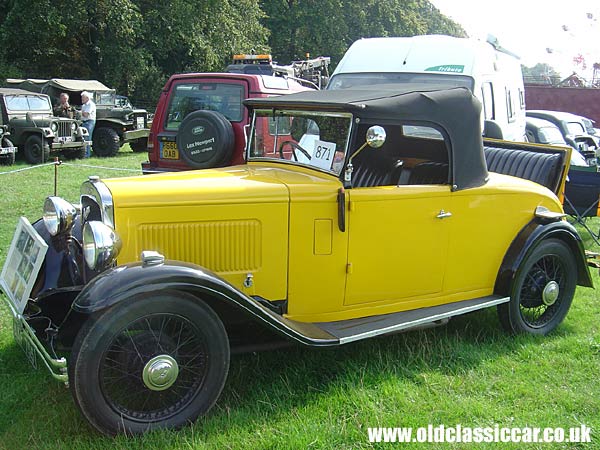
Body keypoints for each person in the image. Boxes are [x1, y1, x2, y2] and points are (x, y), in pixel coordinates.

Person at [80, 91, 96, 157]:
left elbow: (86, 114)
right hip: (84, 122)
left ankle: (87, 154)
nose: (81, 99)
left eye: (83, 98)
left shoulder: (90, 104)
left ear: (87, 98)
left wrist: (81, 112)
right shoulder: (84, 105)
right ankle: (84, 153)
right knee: (83, 138)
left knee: (87, 138)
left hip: (89, 122)